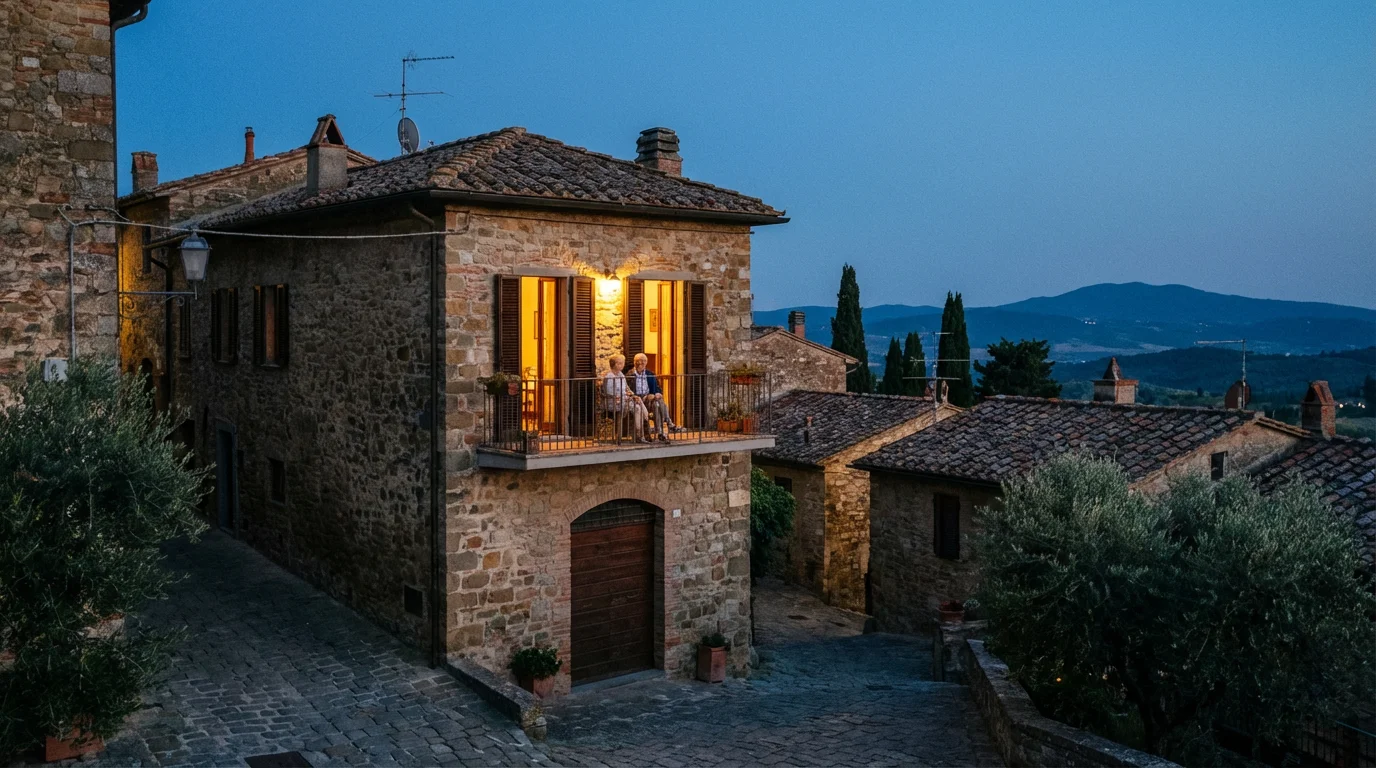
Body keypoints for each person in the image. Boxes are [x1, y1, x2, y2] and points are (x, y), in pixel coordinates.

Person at [630, 353, 682, 441]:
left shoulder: (650, 373)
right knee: (657, 403)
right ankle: (668, 425)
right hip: (638, 400)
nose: (642, 363)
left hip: (651, 399)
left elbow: (657, 388)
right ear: (635, 362)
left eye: (644, 361)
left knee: (657, 404)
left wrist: (658, 393)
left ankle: (661, 432)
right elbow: (629, 391)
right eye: (640, 361)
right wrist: (645, 396)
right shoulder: (630, 375)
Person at [601, 354, 651, 443]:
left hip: (623, 400)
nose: (622, 365)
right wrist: (625, 397)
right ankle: (646, 418)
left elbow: (626, 388)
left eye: (622, 363)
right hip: (613, 402)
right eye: (620, 363)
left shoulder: (621, 375)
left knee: (637, 406)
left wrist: (631, 395)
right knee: (637, 405)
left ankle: (639, 436)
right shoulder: (609, 376)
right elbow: (608, 392)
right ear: (615, 364)